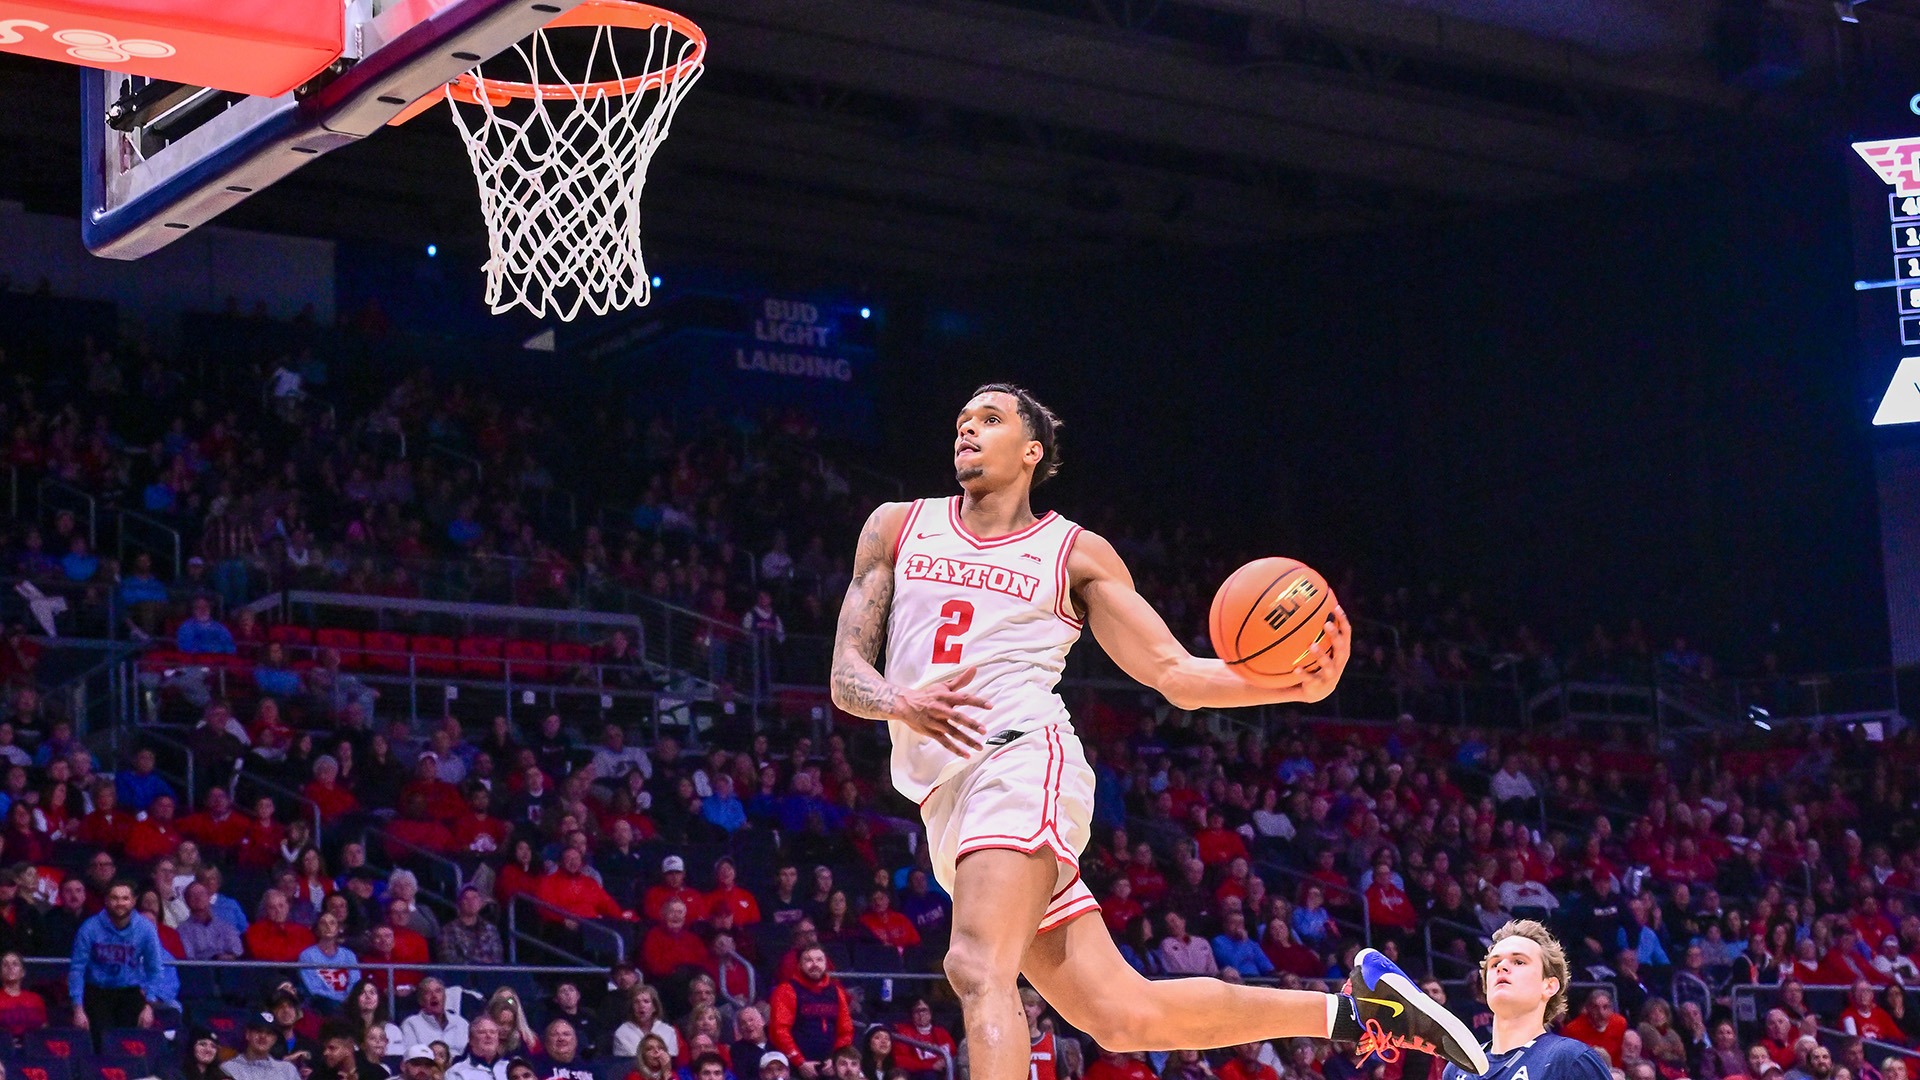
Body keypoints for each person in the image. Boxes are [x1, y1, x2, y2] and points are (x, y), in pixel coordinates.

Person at [825, 384, 1482, 1080]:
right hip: (944, 795)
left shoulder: (1072, 553)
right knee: (1119, 1014)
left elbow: (1173, 672)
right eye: (961, 421)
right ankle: (1358, 1012)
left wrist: (1291, 684)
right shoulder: (896, 525)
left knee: (976, 964)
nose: (967, 431)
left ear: (1031, 451)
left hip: (1019, 762)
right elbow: (845, 677)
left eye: (989, 420)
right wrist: (901, 700)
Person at [1439, 920, 1610, 1080]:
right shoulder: (1457, 1069)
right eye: (1494, 963)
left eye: (1519, 962)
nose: (1501, 966)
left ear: (1549, 986)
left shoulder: (1570, 1059)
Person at [69, 878, 166, 1049]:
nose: (119, 903)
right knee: (101, 1047)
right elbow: (77, 969)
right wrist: (78, 1007)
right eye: (114, 898)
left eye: (125, 898)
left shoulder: (145, 929)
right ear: (106, 900)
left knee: (130, 1047)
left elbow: (155, 969)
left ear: (134, 901)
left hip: (130, 993)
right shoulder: (89, 928)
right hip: (97, 993)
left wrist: (149, 1004)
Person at [770, 945, 855, 1077]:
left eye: (819, 960)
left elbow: (846, 1031)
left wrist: (835, 1058)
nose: (815, 964)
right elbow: (779, 1031)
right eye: (808, 960)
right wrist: (799, 1062)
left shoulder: (836, 992)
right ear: (799, 965)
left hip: (829, 1067)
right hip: (795, 1068)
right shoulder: (786, 990)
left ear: (826, 963)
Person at [400, 977, 470, 1056]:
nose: (434, 996)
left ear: (445, 997)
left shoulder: (461, 1022)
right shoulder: (411, 1024)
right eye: (427, 993)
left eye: (438, 991)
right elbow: (412, 1056)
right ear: (420, 1000)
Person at [1561, 990, 1628, 1068]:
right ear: (1587, 1008)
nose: (1601, 1013)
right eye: (1595, 1008)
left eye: (1605, 1007)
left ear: (1611, 1008)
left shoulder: (1620, 1023)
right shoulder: (1573, 1029)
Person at [224, 1014, 302, 1080]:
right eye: (258, 1031)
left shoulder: (288, 1070)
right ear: (247, 1034)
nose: (263, 1036)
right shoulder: (228, 1069)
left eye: (269, 1033)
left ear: (274, 1039)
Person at [0, 951, 45, 1041]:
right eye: (5, 965)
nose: (10, 967)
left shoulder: (35, 999)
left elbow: (43, 1028)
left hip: (32, 1049)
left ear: (23, 972)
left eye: (15, 964)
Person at [451, 1016, 511, 1080]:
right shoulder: (457, 1072)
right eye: (482, 1032)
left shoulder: (510, 1067)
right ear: (471, 1040)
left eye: (492, 1032)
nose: (488, 1036)